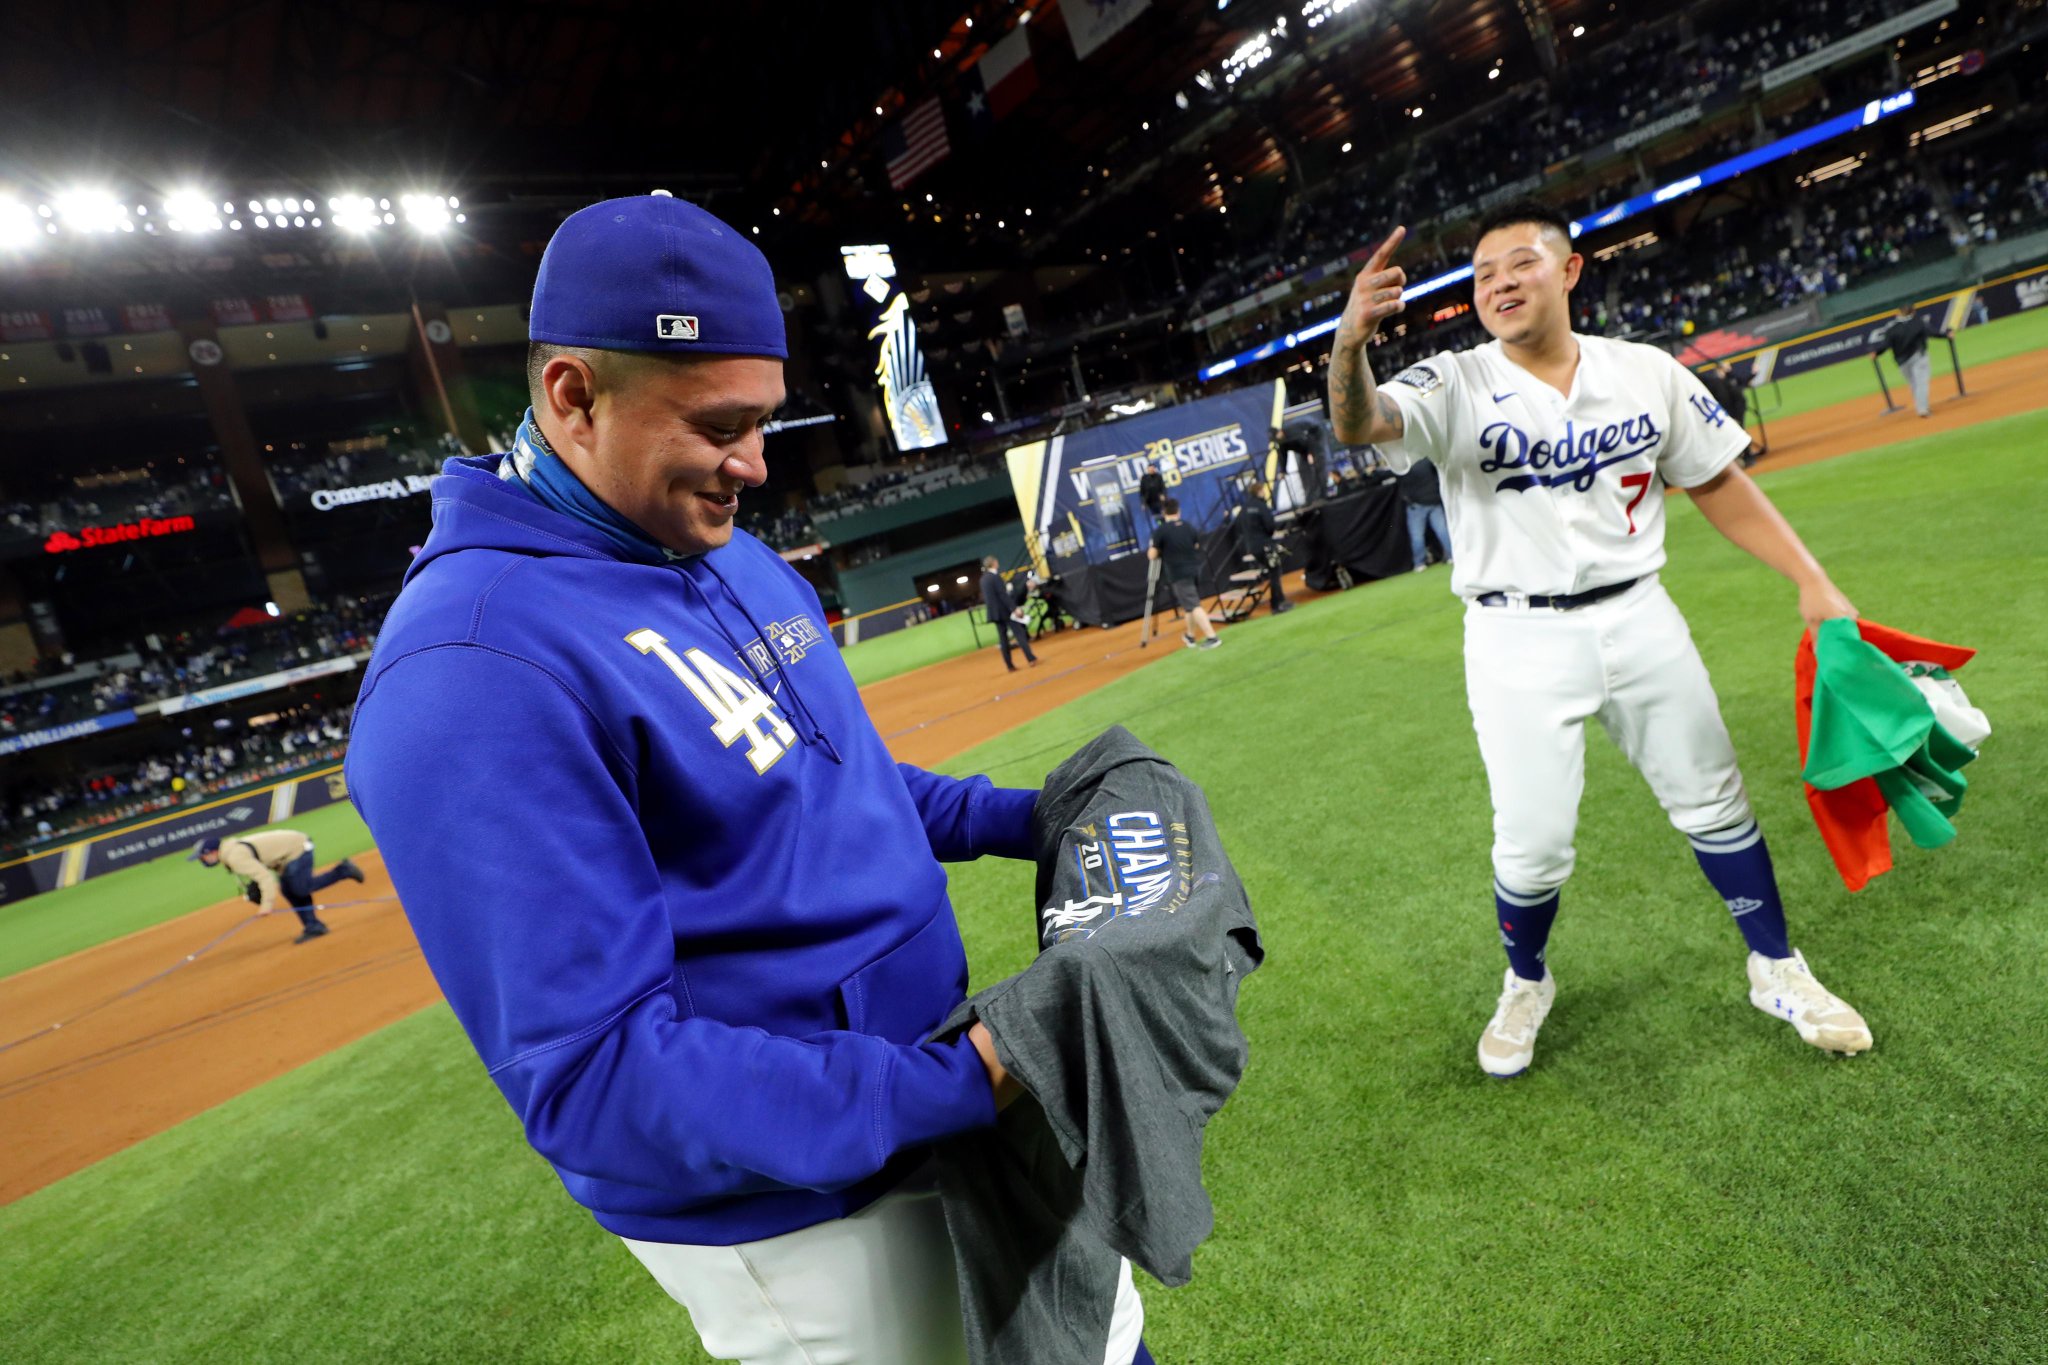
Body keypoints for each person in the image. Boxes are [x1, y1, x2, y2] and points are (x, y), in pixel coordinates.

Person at [343, 195, 1146, 1364]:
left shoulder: (710, 540)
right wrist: (967, 1080)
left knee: (1108, 1349)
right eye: (719, 424)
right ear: (571, 396)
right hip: (809, 1219)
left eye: (764, 421)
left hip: (931, 1087)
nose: (755, 467)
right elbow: (599, 1078)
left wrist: (1031, 819)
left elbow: (833, 791)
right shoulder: (469, 668)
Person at [1326, 200, 1872, 1078]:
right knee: (1533, 841)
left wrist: (1811, 577)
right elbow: (1360, 424)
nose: (1499, 283)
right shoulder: (1454, 380)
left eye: (1520, 264)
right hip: (1515, 634)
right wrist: (1349, 343)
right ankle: (1527, 979)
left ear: (1570, 270)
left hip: (1638, 612)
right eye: (1483, 274)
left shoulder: (1644, 371)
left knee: (1714, 798)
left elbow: (1717, 482)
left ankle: (1776, 965)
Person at [188, 830, 363, 943]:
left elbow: (264, 877)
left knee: (301, 887)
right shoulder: (230, 851)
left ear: (210, 853)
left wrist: (266, 905)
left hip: (297, 849)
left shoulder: (234, 857)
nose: (202, 861)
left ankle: (343, 870)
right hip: (287, 855)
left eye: (202, 857)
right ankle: (313, 926)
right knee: (288, 889)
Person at [1149, 497, 1220, 649]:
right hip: (1194, 569)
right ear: (1178, 511)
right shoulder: (1188, 526)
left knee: (1193, 605)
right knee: (1188, 606)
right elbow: (1196, 545)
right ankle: (1190, 635)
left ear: (1163, 512)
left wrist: (1155, 547)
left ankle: (1212, 637)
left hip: (1178, 573)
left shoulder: (1161, 531)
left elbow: (1152, 555)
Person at [1879, 304, 1949, 418]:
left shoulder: (1892, 328)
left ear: (1899, 312)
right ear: (1913, 312)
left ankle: (1921, 406)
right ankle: (1922, 409)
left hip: (1902, 361)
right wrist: (1947, 335)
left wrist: (1876, 353)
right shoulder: (1918, 322)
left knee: (1913, 384)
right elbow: (1932, 333)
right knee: (1921, 383)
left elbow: (1885, 345)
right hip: (1918, 357)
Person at [1238, 479, 1293, 614]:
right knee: (1275, 572)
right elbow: (1270, 526)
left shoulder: (1244, 508)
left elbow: (1241, 527)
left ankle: (1279, 602)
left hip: (1253, 547)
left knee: (1273, 571)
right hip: (1265, 545)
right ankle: (1277, 604)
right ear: (1259, 491)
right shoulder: (1262, 506)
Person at [1699, 360, 1765, 466]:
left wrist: (1754, 373)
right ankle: (1738, 457)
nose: (1726, 368)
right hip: (1726, 412)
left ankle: (1747, 456)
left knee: (1739, 432)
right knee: (1730, 433)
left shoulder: (1731, 379)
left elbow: (1744, 381)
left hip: (1737, 410)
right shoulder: (1715, 382)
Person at [979, 555, 1038, 671]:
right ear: (993, 563)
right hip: (1005, 611)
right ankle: (1030, 658)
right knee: (1019, 633)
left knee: (1003, 639)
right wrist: (1014, 608)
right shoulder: (995, 577)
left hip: (994, 613)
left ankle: (1009, 665)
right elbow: (1003, 595)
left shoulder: (983, 579)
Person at [1394, 456, 1450, 573]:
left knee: (1417, 536)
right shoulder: (1426, 459)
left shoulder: (1404, 465)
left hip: (1418, 504)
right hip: (1433, 499)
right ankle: (1452, 556)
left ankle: (1419, 563)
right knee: (1442, 530)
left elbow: (1391, 475)